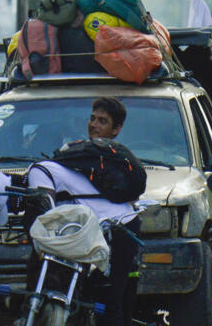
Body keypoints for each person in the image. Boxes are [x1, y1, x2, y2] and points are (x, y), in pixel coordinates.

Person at [23, 140, 142, 326]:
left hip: (115, 229)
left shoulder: (38, 171)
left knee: (109, 305)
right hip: (124, 223)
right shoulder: (70, 170)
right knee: (108, 301)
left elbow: (46, 213)